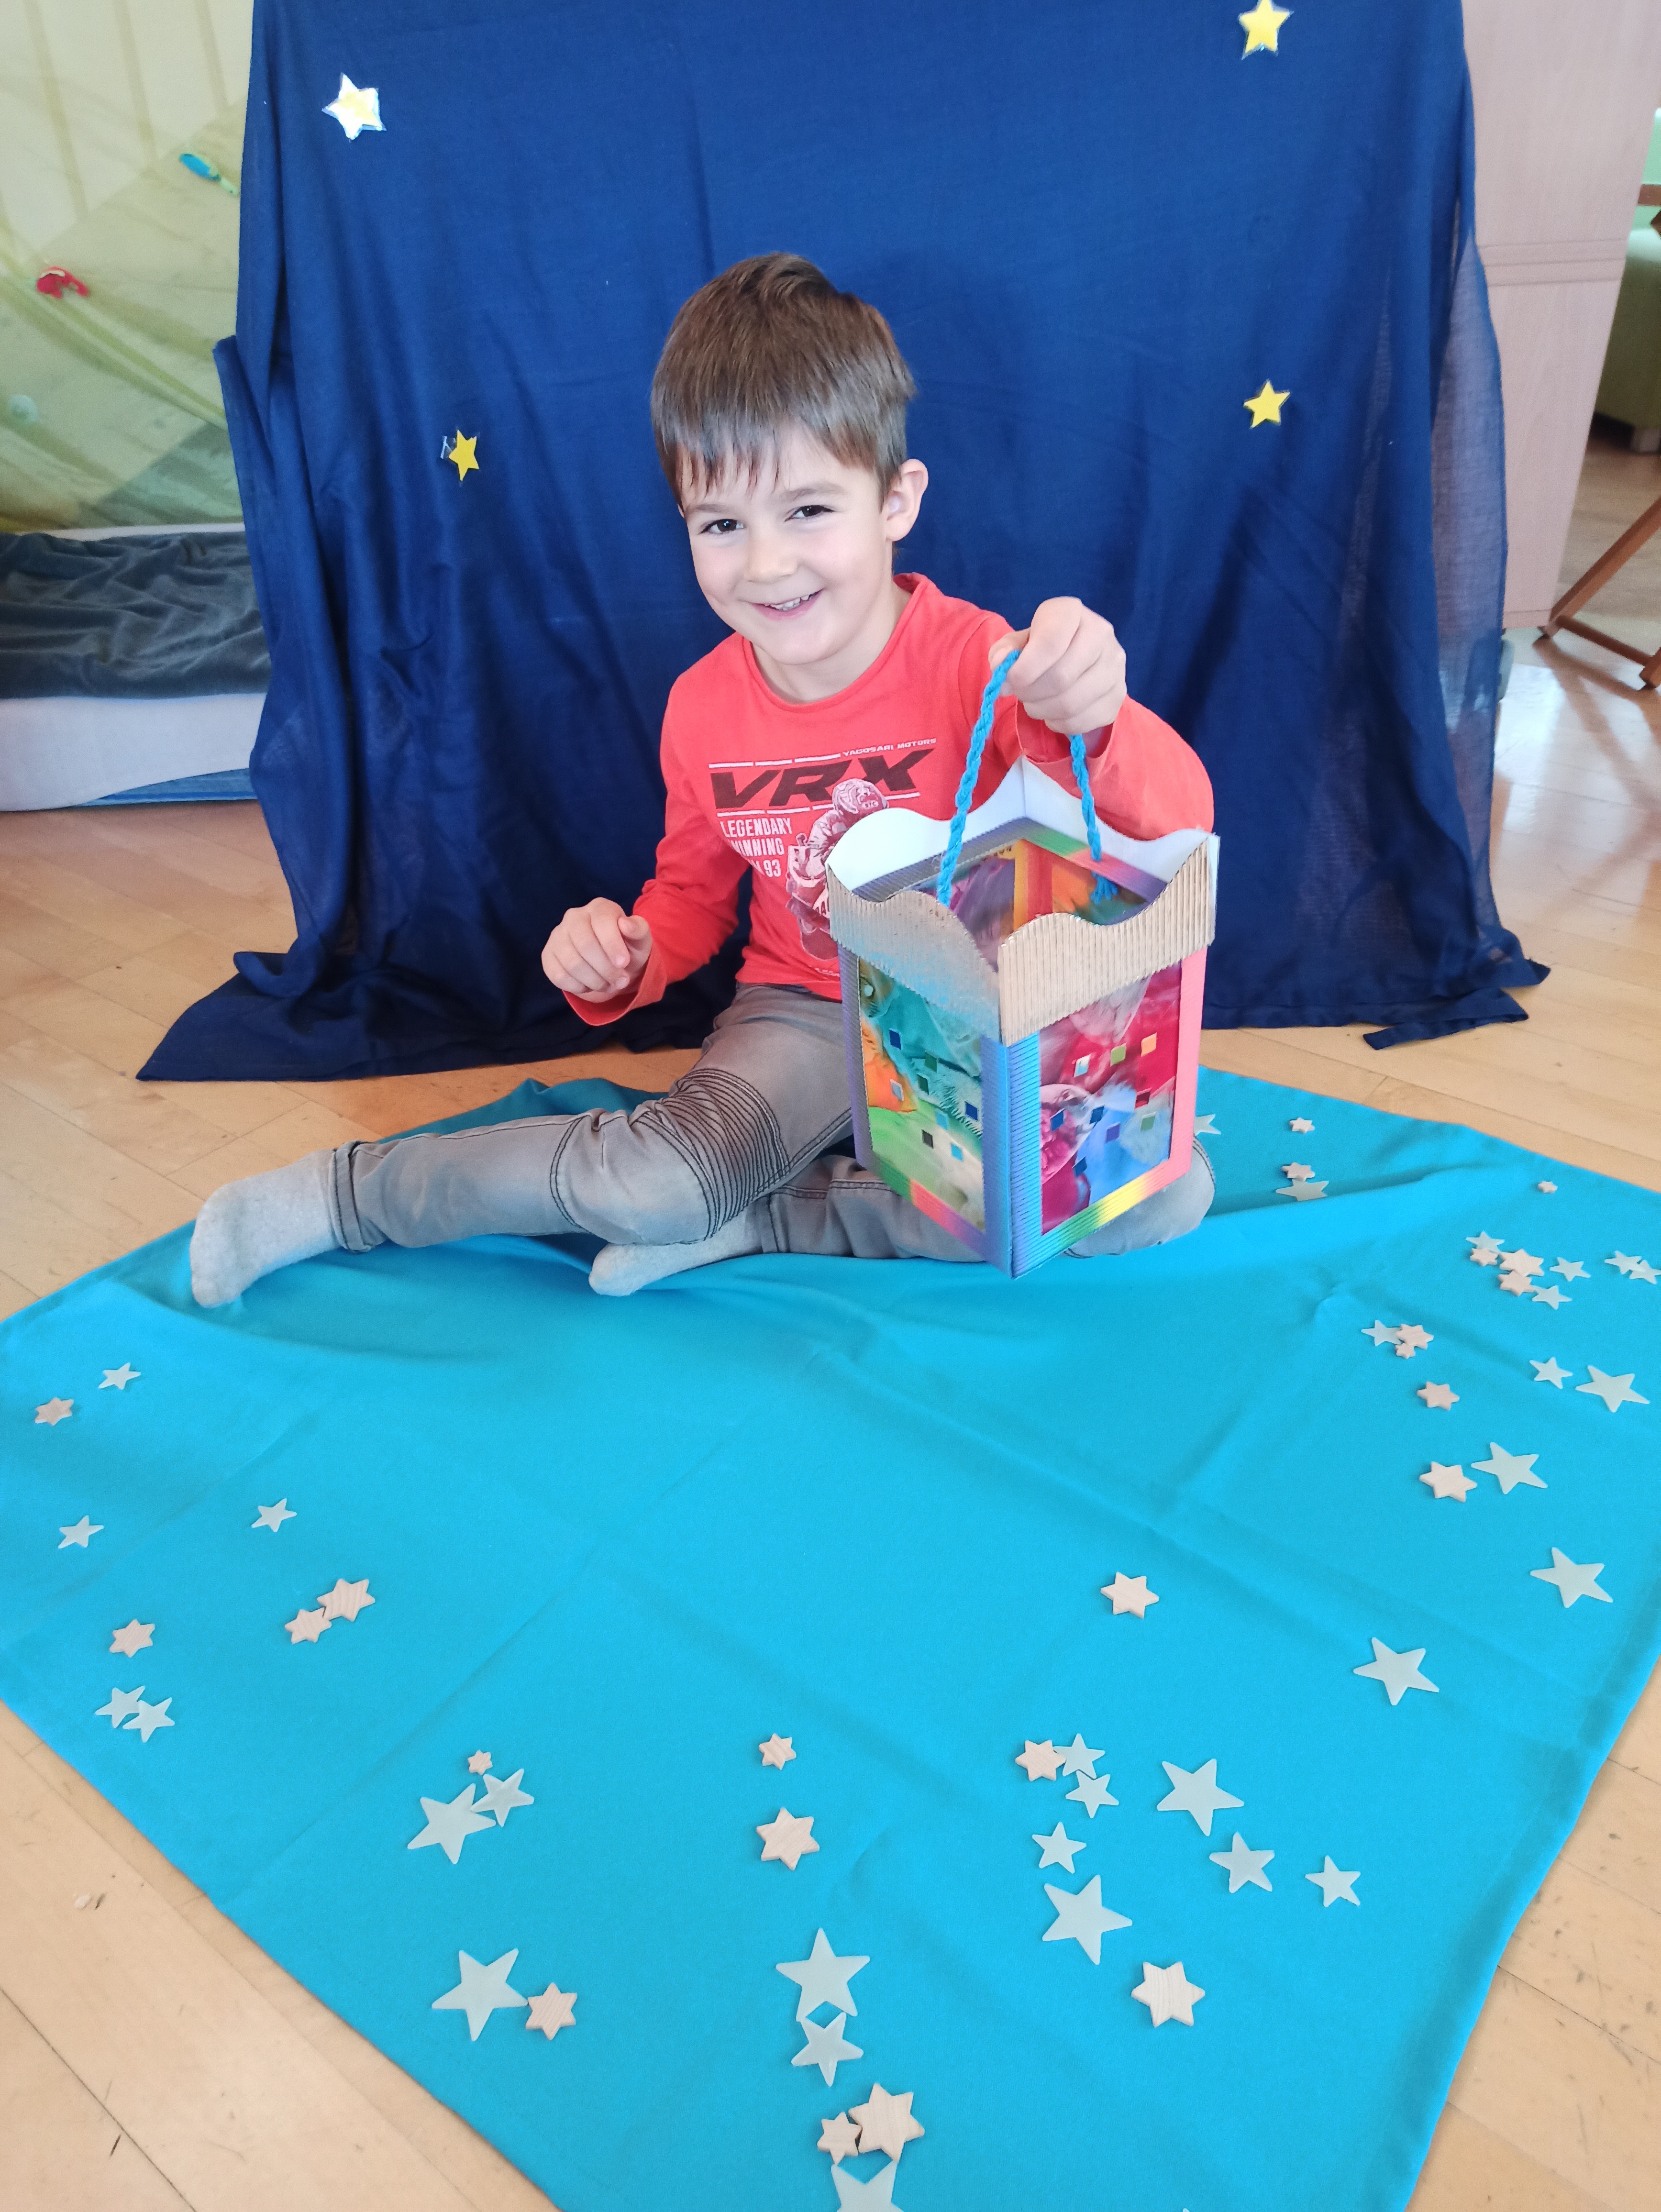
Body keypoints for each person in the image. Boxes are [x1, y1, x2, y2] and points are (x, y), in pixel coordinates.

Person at [189, 254, 1215, 1308]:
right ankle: (348, 1196)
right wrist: (630, 954)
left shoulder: (984, 663)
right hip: (802, 1014)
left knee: (1153, 1196)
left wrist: (1097, 712)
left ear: (895, 500)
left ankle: (764, 1219)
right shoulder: (702, 707)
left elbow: (1175, 823)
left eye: (808, 510)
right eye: (722, 524)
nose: (765, 565)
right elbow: (688, 893)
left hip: (967, 1027)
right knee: (658, 1181)